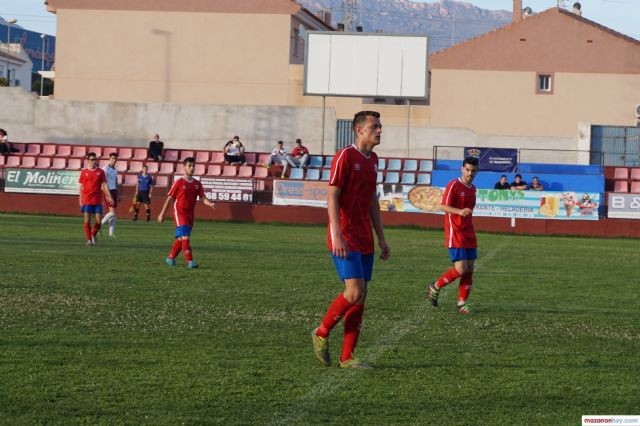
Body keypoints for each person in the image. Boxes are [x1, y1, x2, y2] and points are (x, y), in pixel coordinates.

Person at [311, 110, 390, 369]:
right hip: (344, 235)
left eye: (379, 126)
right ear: (359, 129)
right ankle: (321, 333)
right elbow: (332, 195)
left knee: (361, 295)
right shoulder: (345, 156)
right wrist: (337, 234)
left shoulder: (374, 159)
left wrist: (381, 237)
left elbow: (371, 201)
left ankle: (347, 357)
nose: (379, 130)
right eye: (374, 126)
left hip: (364, 235)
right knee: (354, 291)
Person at [427, 156, 479, 315]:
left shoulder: (473, 189)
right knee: (461, 268)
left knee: (469, 268)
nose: (470, 173)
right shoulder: (454, 185)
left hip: (468, 232)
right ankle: (435, 286)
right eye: (467, 169)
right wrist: (459, 211)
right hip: (455, 232)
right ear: (462, 169)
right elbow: (443, 205)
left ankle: (461, 303)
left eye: (473, 171)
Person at [158, 157, 215, 268]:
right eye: (189, 166)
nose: (192, 168)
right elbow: (169, 198)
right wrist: (162, 213)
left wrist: (210, 203)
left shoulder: (197, 184)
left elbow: (203, 198)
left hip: (190, 214)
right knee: (185, 237)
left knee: (181, 238)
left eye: (193, 166)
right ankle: (190, 261)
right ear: (184, 167)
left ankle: (170, 258)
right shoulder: (178, 182)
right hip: (179, 212)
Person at [78, 152, 113, 245]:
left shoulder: (100, 172)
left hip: (97, 199)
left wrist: (109, 196)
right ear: (88, 161)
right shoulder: (84, 172)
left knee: (98, 221)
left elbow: (105, 185)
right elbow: (80, 187)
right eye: (92, 160)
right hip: (86, 199)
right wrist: (80, 199)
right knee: (87, 220)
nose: (94, 161)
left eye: (95, 159)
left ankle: (93, 234)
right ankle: (89, 240)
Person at [100, 152, 119, 237]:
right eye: (113, 158)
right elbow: (103, 183)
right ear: (109, 159)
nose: (114, 160)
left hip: (114, 190)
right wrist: (108, 195)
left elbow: (115, 181)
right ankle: (99, 224)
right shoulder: (105, 169)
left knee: (114, 215)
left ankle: (111, 233)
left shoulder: (115, 169)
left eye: (115, 158)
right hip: (108, 191)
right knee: (113, 213)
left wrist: (118, 193)